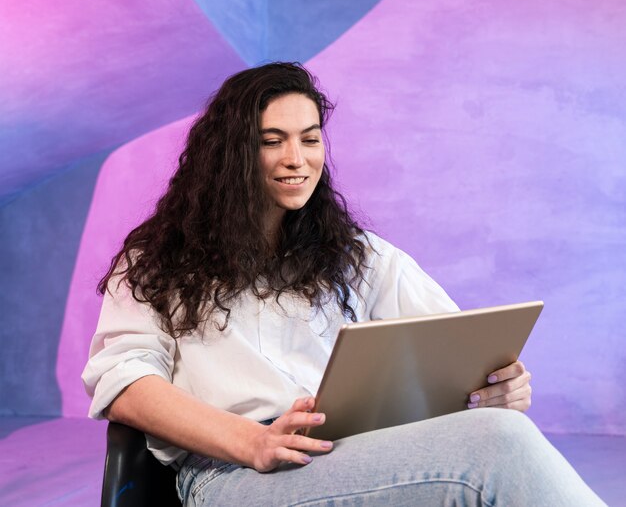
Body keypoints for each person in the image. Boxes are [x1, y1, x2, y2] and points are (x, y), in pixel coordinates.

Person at [83, 62, 604, 506]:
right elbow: (123, 382)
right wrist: (251, 441)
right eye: (272, 141)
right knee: (498, 448)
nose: (297, 159)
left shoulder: (355, 254)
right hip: (233, 475)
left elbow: (455, 342)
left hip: (347, 453)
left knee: (501, 431)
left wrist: (499, 386)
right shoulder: (158, 260)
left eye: (310, 139)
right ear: (230, 156)